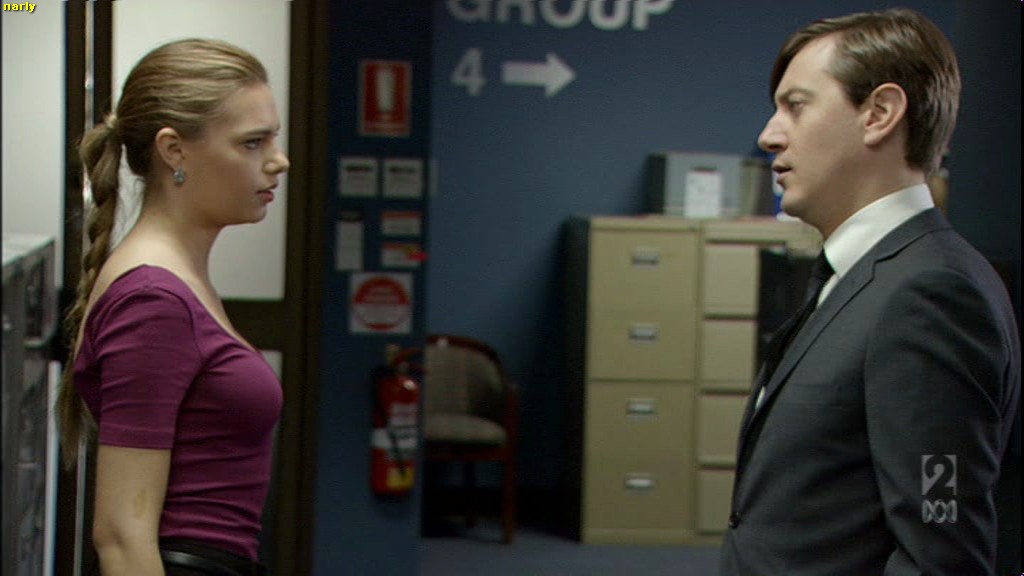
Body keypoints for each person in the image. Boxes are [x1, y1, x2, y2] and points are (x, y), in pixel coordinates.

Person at [721, 9, 1020, 575]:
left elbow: (941, 550)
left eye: (796, 105)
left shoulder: (930, 294)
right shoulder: (857, 275)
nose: (768, 135)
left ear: (879, 114)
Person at [57, 38, 289, 576]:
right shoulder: (154, 300)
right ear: (174, 150)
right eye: (253, 142)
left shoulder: (178, 280)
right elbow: (121, 536)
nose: (279, 160)